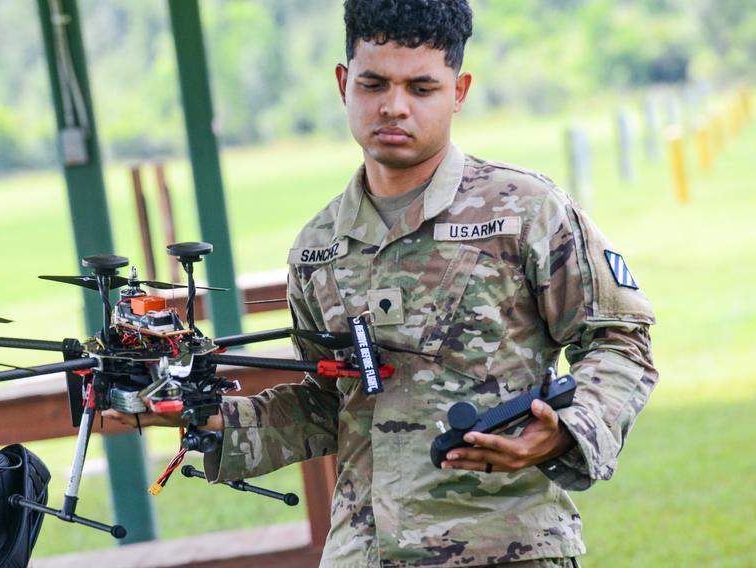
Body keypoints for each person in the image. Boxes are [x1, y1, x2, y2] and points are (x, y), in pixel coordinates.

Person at [108, 1, 658, 566]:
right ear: (345, 83)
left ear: (459, 91)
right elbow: (327, 402)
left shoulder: (526, 211)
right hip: (362, 552)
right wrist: (197, 413)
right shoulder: (318, 246)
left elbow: (620, 342)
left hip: (505, 547)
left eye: (422, 88)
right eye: (374, 84)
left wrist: (565, 429)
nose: (394, 107)